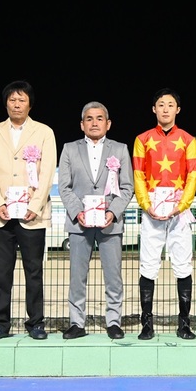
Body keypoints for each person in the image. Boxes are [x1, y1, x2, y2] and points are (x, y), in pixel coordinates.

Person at [0, 80, 57, 340]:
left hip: (31, 214)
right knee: (2, 272)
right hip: (2, 214)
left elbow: (47, 171)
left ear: (29, 104)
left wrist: (35, 205)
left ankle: (36, 323)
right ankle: (0, 323)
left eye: (21, 100)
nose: (16, 104)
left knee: (33, 271)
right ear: (6, 103)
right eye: (12, 100)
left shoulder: (44, 132)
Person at [58, 101, 134, 340]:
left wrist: (113, 212)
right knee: (77, 276)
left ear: (108, 124)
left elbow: (127, 186)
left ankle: (113, 321)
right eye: (89, 119)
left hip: (110, 223)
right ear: (82, 124)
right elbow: (64, 186)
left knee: (113, 276)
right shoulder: (69, 149)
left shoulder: (120, 149)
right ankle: (76, 322)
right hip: (79, 223)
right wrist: (77, 211)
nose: (94, 123)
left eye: (99, 118)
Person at [132, 88, 196, 340]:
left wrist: (181, 206)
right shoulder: (142, 139)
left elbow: (193, 175)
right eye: (161, 104)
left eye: (170, 105)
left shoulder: (189, 140)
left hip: (179, 212)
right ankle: (146, 324)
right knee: (148, 265)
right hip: (152, 211)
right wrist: (145, 204)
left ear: (177, 110)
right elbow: (138, 174)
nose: (165, 109)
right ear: (154, 109)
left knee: (182, 265)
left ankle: (184, 324)